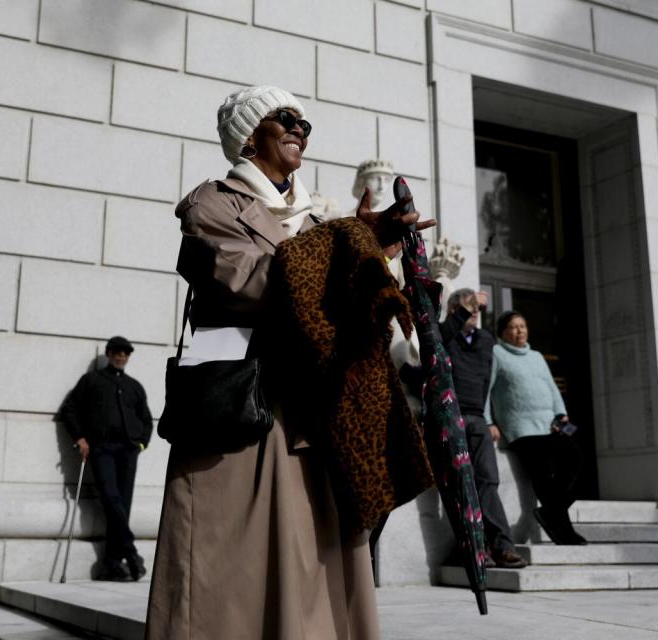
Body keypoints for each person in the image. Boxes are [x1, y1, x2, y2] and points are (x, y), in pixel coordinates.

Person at [145, 85, 433, 640]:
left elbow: (341, 303)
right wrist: (354, 241)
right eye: (286, 119)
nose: (300, 129)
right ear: (251, 137)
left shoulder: (321, 221)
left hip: (317, 413)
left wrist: (387, 272)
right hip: (242, 413)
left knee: (317, 564)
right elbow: (252, 283)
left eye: (306, 122)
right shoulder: (213, 203)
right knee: (226, 568)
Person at [440, 289, 527, 568]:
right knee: (460, 485)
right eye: (468, 307)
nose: (474, 311)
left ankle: (503, 547)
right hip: (451, 417)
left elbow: (490, 382)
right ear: (454, 309)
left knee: (488, 482)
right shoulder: (445, 334)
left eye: (476, 308)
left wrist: (491, 419)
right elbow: (437, 343)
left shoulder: (487, 340)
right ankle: (474, 549)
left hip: (478, 420)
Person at [483, 311, 586, 545]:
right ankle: (564, 533)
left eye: (523, 326)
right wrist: (488, 421)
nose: (520, 330)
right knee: (543, 480)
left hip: (549, 424)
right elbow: (485, 389)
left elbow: (551, 387)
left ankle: (551, 512)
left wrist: (561, 413)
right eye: (513, 327)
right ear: (502, 332)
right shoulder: (496, 353)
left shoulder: (537, 356)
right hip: (521, 428)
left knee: (576, 459)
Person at [60, 335, 153, 581]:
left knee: (122, 505)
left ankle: (112, 564)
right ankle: (131, 552)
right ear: (109, 354)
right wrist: (80, 438)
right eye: (117, 352)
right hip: (101, 449)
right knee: (112, 500)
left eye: (125, 353)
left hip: (128, 451)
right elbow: (69, 409)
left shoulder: (135, 386)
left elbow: (146, 419)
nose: (121, 356)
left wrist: (141, 444)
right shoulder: (92, 380)